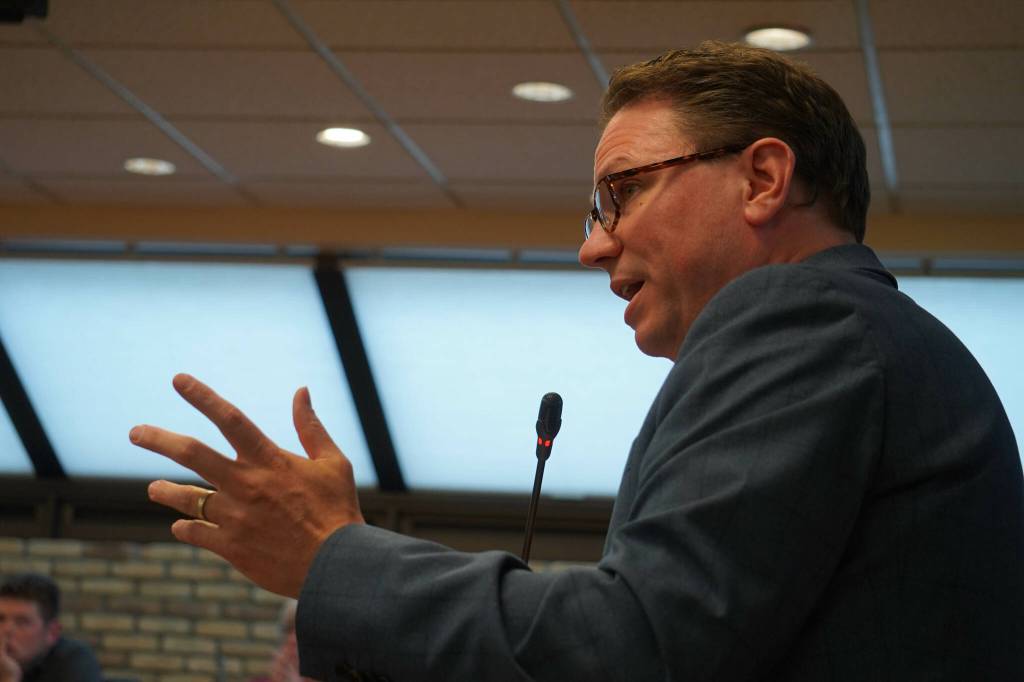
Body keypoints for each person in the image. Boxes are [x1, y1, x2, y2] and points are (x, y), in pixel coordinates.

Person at [130, 41, 1024, 680]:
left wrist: (336, 559)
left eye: (620, 193)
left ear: (762, 180)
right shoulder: (862, 333)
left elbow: (634, 644)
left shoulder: (804, 317)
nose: (594, 247)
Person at [0, 573, 102, 682]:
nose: (6, 629)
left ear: (52, 633)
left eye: (22, 622)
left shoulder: (73, 660)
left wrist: (9, 678)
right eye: (0, 619)